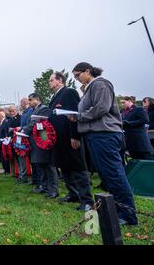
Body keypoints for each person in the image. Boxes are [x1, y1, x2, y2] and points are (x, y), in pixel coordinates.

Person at [71, 62, 138, 226]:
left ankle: (128, 215)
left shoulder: (100, 84)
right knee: (107, 175)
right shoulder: (88, 88)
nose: (77, 79)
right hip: (96, 134)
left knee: (114, 174)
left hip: (105, 134)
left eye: (77, 75)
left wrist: (78, 116)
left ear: (87, 71)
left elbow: (101, 107)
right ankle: (118, 208)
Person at [48, 72, 93, 211]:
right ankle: (73, 194)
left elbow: (74, 114)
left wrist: (75, 136)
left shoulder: (69, 92)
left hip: (70, 137)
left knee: (77, 167)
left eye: (51, 80)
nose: (49, 83)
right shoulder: (55, 96)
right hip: (59, 138)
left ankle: (87, 200)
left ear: (60, 80)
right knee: (65, 167)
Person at [23, 93, 58, 198]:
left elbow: (35, 123)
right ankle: (44, 187)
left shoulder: (43, 109)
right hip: (36, 140)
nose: (28, 102)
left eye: (30, 99)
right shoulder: (34, 110)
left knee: (48, 165)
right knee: (41, 165)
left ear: (37, 99)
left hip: (43, 139)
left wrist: (25, 131)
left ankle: (53, 190)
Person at [8, 105, 22, 180]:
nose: (11, 113)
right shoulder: (10, 119)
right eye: (10, 111)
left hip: (19, 140)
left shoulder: (20, 117)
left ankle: (22, 174)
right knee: (16, 157)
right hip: (12, 140)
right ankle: (19, 173)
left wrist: (14, 129)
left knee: (20, 157)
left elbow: (21, 127)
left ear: (16, 110)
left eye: (13, 111)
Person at [0, 109, 11, 174]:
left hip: (4, 141)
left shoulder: (6, 121)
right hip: (1, 141)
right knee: (2, 156)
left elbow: (6, 131)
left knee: (5, 156)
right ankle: (5, 169)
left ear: (1, 116)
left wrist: (6, 137)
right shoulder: (1, 122)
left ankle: (7, 169)